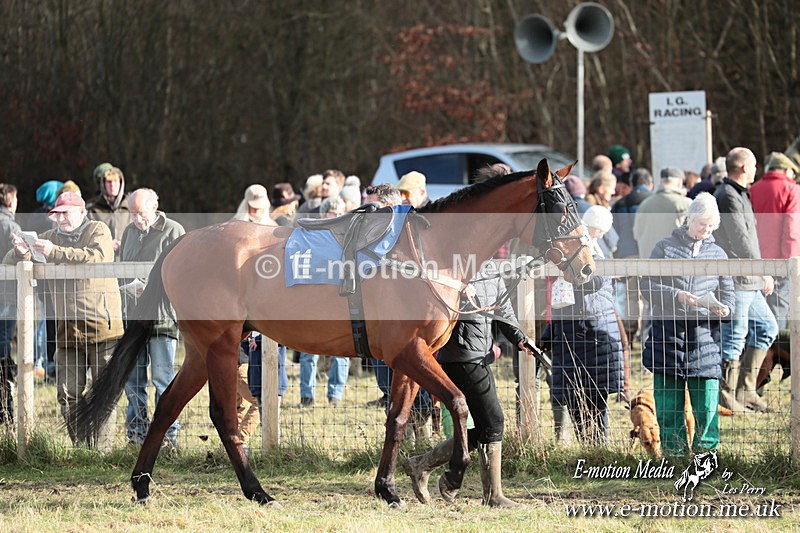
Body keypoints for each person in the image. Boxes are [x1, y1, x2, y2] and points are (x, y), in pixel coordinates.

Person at [402, 259, 533, 508]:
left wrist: (520, 338)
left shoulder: (491, 268)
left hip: (479, 356)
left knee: (486, 426)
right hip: (459, 356)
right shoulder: (452, 265)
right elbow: (434, 298)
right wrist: (459, 290)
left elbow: (503, 310)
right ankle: (493, 496)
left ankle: (422, 464)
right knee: (494, 422)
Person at [8, 192, 123, 449]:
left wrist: (55, 252)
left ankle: (101, 452)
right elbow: (13, 263)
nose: (60, 219)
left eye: (65, 213)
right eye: (56, 214)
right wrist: (19, 252)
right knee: (67, 393)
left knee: (105, 395)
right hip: (67, 331)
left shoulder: (98, 231)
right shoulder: (49, 237)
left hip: (103, 329)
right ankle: (82, 448)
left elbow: (96, 257)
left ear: (82, 212)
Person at [641, 193, 735, 455]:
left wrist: (724, 309)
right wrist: (676, 296)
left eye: (711, 226)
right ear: (689, 219)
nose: (706, 230)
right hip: (667, 339)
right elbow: (646, 285)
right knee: (668, 409)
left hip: (704, 342)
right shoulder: (664, 248)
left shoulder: (718, 254)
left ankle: (705, 458)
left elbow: (730, 297)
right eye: (702, 224)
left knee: (706, 408)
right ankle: (675, 457)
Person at [541, 206, 624, 445]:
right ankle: (587, 448)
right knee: (574, 400)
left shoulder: (596, 255)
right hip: (569, 337)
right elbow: (560, 305)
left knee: (596, 401)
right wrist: (549, 334)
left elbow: (596, 283)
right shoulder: (568, 257)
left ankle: (599, 449)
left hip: (595, 335)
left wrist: (572, 277)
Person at [713, 147, 779, 413]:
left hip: (749, 278)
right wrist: (762, 269)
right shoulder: (727, 195)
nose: (755, 171)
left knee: (767, 327)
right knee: (734, 336)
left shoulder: (740, 193)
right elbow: (740, 240)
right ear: (743, 168)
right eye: (753, 166)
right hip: (737, 278)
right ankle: (725, 396)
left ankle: (746, 390)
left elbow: (748, 239)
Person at [119, 188, 186, 448]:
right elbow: (123, 269)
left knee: (163, 380)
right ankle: (136, 436)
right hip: (134, 317)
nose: (137, 219)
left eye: (141, 213)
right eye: (132, 214)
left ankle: (167, 437)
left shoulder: (173, 231)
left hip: (163, 318)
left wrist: (155, 288)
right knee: (133, 381)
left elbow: (182, 273)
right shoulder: (129, 232)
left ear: (154, 207)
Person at [298, 196, 351, 407]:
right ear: (323, 215)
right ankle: (306, 395)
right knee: (308, 350)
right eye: (331, 213)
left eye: (339, 213)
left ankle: (335, 395)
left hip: (340, 300)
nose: (336, 217)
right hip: (314, 300)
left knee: (342, 351)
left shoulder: (349, 238)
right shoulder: (311, 238)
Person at [749, 152, 800, 329]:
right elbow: (792, 229)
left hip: (757, 258)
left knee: (758, 308)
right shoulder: (792, 189)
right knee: (779, 308)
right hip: (781, 259)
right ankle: (776, 345)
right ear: (787, 170)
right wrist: (790, 262)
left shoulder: (753, 189)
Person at [611, 168, 654, 341]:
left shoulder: (620, 204)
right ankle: (646, 333)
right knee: (650, 295)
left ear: (631, 184)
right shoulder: (653, 201)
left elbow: (613, 231)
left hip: (626, 254)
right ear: (650, 184)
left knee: (631, 295)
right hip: (649, 254)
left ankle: (629, 330)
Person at [632, 167, 692, 260]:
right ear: (680, 182)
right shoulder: (686, 204)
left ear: (661, 182)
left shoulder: (644, 204)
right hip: (677, 263)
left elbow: (636, 234)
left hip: (649, 262)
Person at [0, 184, 20, 424]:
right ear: (11, 202)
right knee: (3, 346)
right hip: (6, 294)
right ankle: (6, 409)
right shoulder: (11, 227)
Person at [86, 163, 130, 254]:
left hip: (127, 257)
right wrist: (106, 245)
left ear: (121, 183)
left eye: (115, 181)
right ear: (103, 184)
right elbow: (87, 239)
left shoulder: (131, 208)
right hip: (103, 257)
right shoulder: (92, 210)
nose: (112, 185)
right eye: (109, 182)